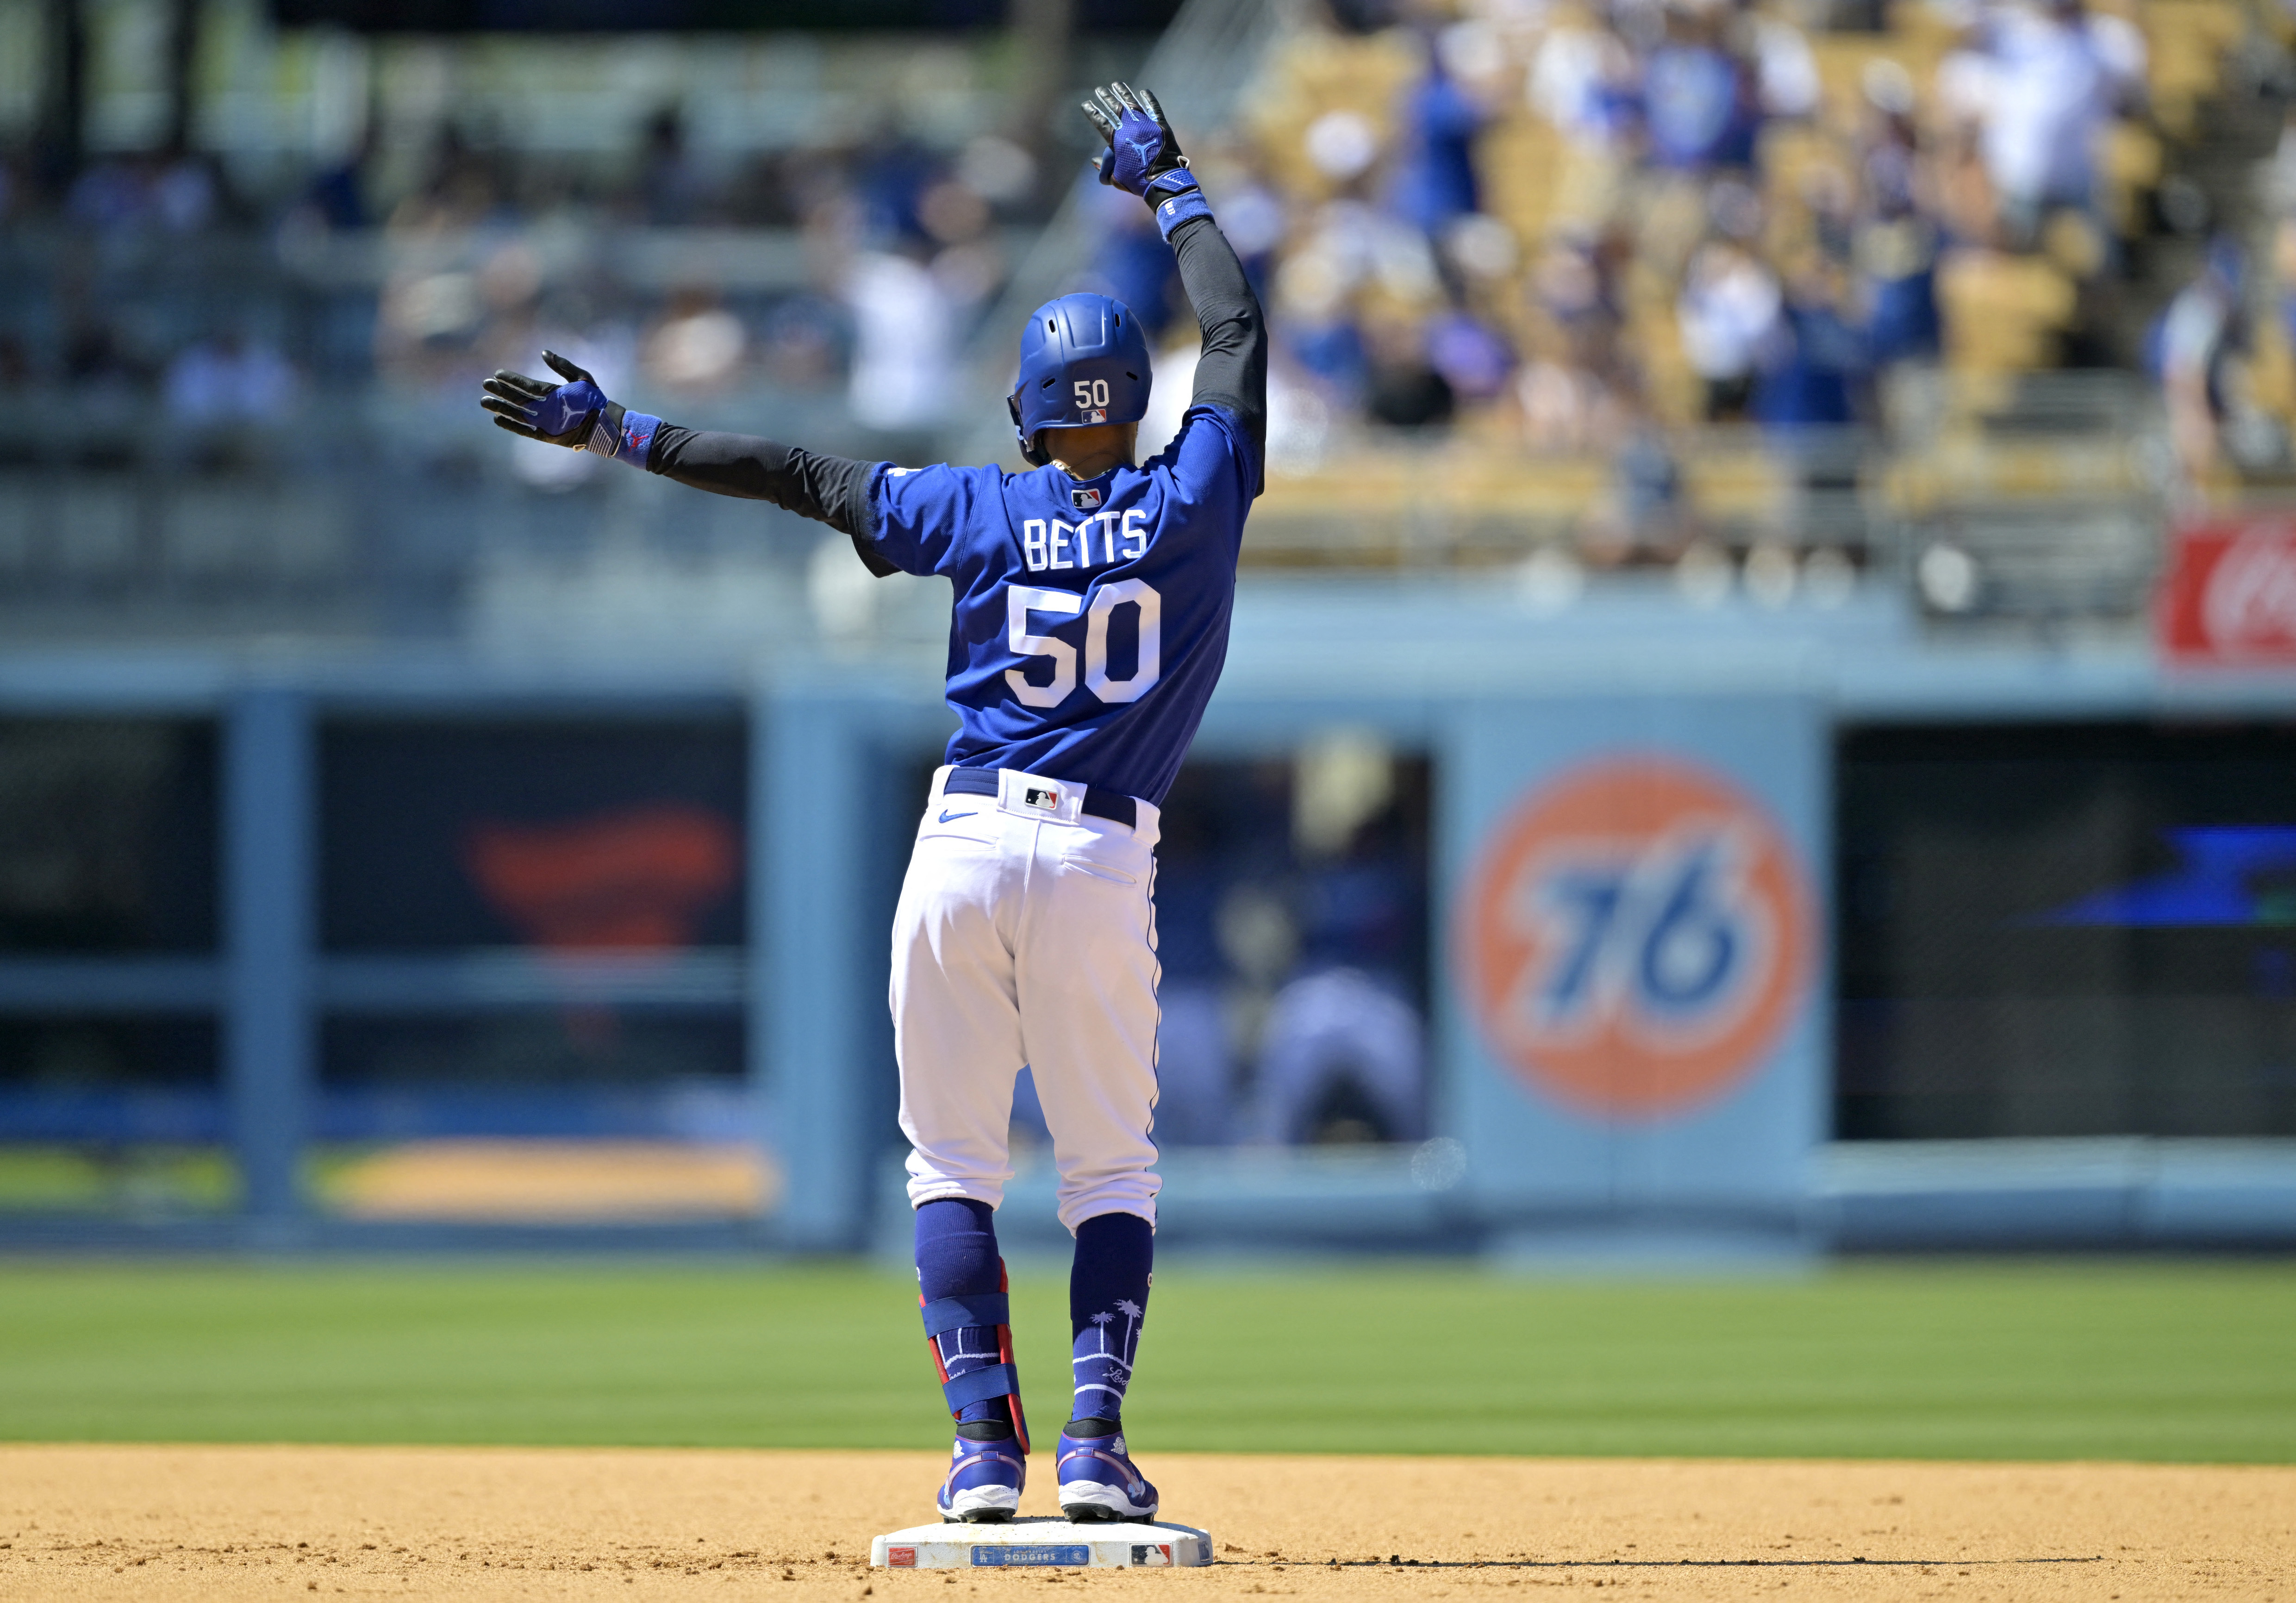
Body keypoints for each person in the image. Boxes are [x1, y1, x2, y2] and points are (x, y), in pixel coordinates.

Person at [480, 83, 1265, 1526]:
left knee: (950, 1160)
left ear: (1029, 411)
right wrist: (1173, 191)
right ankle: (1091, 1446)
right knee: (1111, 1167)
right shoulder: (1200, 496)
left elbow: (798, 473)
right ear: (1129, 403)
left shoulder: (978, 506)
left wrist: (619, 433)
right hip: (1101, 857)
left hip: (965, 842)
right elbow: (1231, 334)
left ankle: (982, 1453)